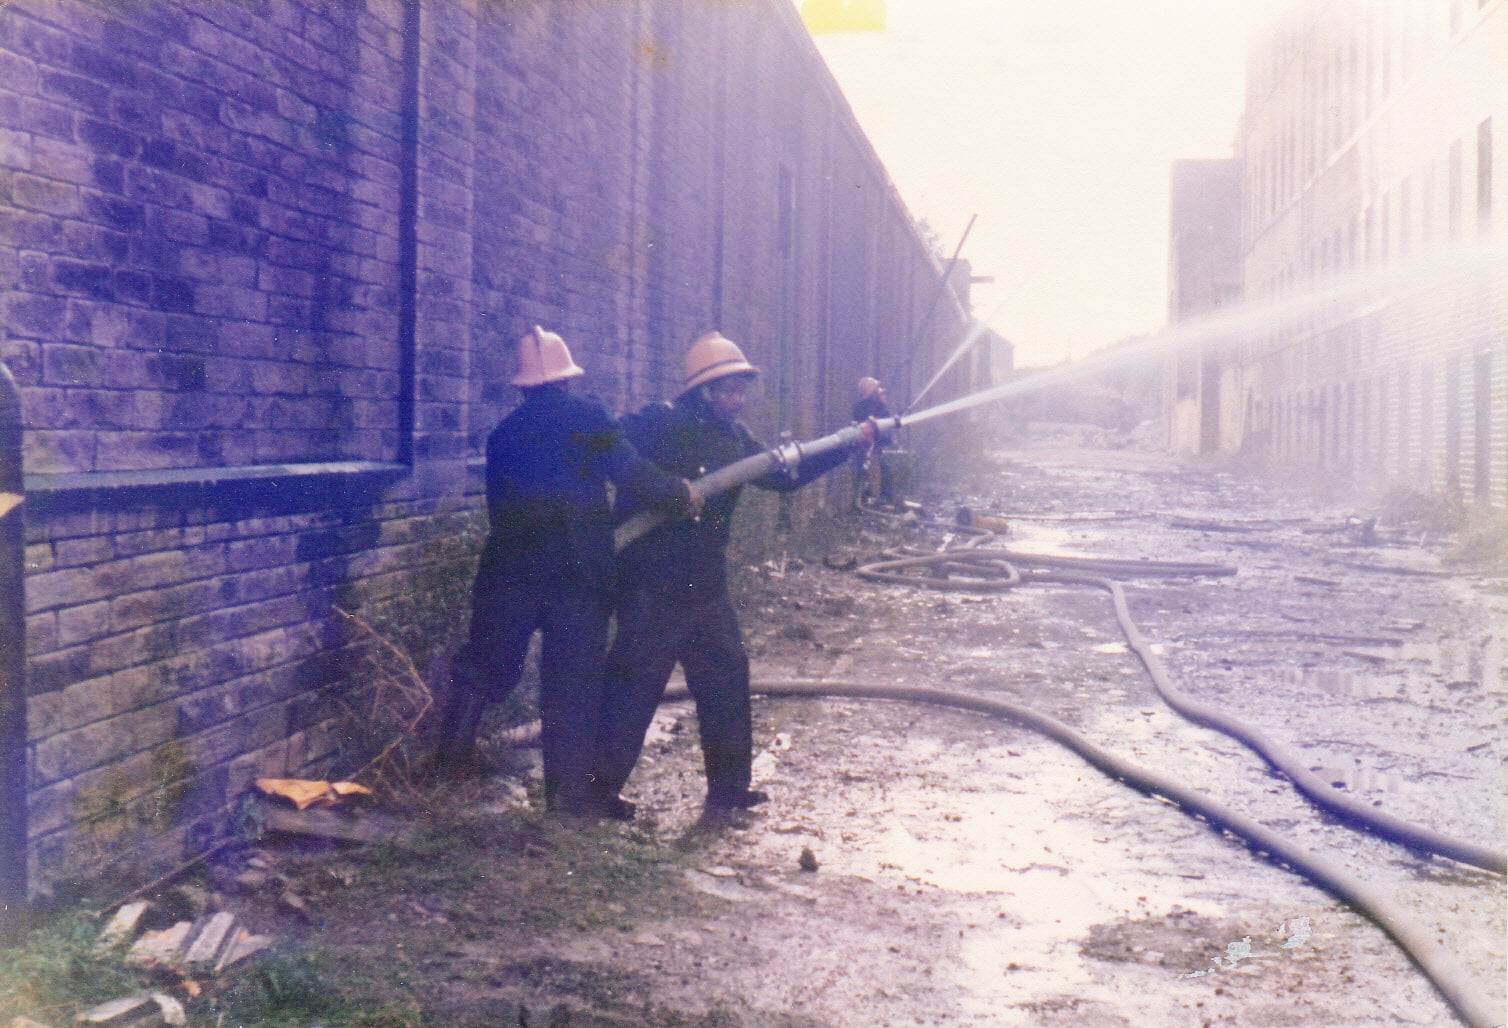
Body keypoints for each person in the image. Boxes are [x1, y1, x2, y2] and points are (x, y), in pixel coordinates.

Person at [597, 332, 871, 824]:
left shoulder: (735, 439)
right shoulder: (658, 423)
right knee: (634, 686)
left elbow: (783, 476)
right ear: (703, 390)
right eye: (729, 390)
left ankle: (729, 791)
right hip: (651, 584)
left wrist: (847, 445)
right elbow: (608, 448)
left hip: (704, 584)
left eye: (742, 390)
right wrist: (662, 488)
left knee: (726, 679)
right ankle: (597, 793)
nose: (738, 399)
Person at [434, 327, 702, 819]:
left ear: (523, 386)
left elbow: (500, 509)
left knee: (484, 667)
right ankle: (567, 802)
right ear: (566, 377)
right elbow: (631, 473)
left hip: (509, 572)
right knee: (572, 685)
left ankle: (446, 776)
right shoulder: (588, 416)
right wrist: (679, 493)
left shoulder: (502, 435)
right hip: (577, 575)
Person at [850, 376, 894, 507]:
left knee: (880, 470)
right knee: (873, 471)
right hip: (869, 445)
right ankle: (873, 499)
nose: (879, 391)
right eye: (876, 388)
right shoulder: (867, 406)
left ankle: (876, 498)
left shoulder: (870, 405)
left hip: (875, 444)